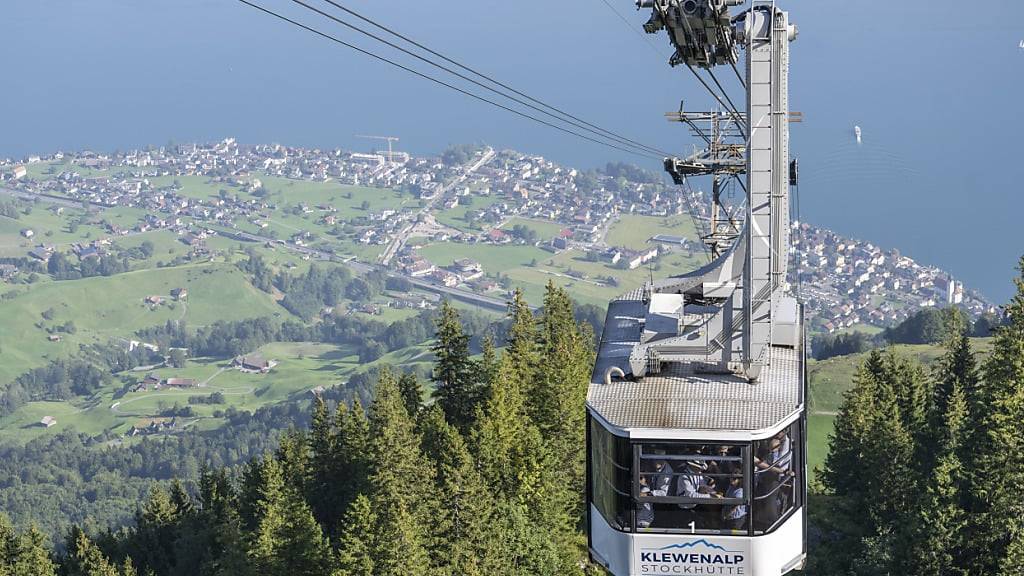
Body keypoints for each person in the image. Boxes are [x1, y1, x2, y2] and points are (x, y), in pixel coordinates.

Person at [754, 431, 793, 528]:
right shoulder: (770, 453)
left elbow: (779, 465)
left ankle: (773, 522)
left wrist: (782, 471)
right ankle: (760, 519)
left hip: (773, 478)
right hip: (765, 478)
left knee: (770, 500)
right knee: (764, 500)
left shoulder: (785, 446)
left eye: (774, 448)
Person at [676, 459, 719, 527]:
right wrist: (710, 496)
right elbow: (691, 495)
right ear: (693, 466)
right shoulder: (684, 476)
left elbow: (702, 486)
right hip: (684, 509)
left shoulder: (698, 474)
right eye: (699, 467)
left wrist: (713, 491)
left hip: (694, 505)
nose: (701, 469)